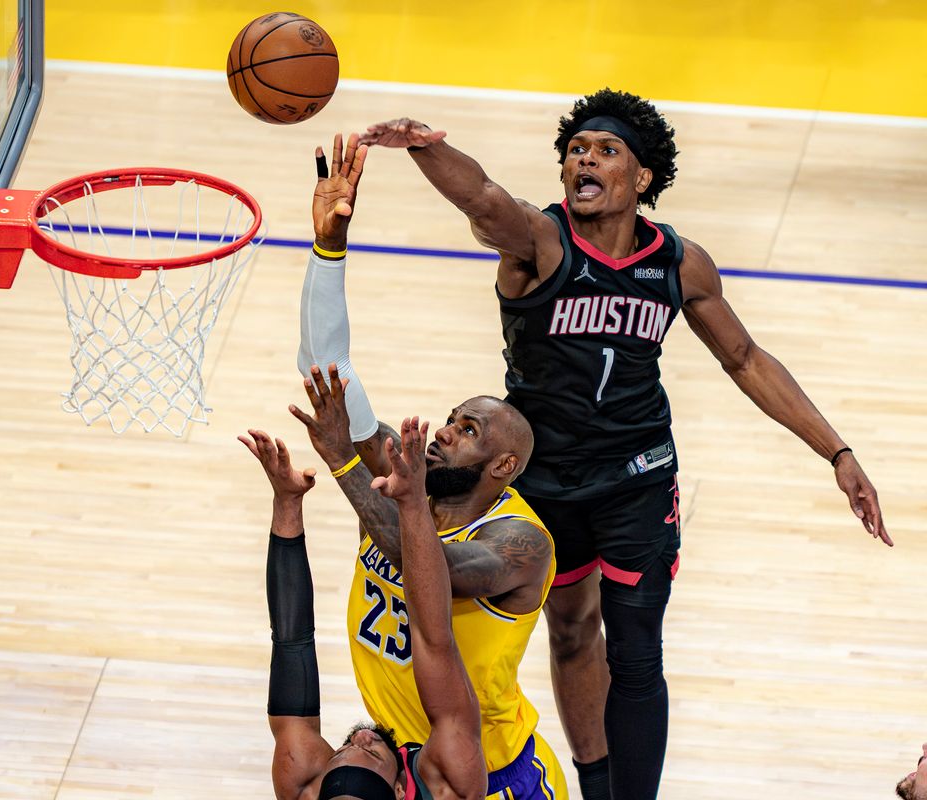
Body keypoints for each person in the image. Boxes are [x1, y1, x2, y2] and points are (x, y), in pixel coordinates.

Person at [357, 89, 892, 800]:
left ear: (642, 178)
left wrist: (838, 453)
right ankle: (597, 784)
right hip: (546, 479)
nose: (584, 159)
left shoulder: (680, 263)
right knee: (572, 634)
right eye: (576, 149)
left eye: (605, 150)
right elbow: (483, 199)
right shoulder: (541, 242)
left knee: (637, 651)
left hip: (638, 475)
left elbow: (744, 358)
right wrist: (428, 148)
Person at [291, 133, 567, 799]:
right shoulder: (402, 470)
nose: (444, 433)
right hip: (397, 770)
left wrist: (344, 460)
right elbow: (327, 372)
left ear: (503, 465)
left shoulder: (521, 543)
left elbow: (426, 567)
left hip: (490, 778)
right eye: (450, 419)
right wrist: (329, 246)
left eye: (467, 431)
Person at [240, 421, 488, 799]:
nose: (360, 738)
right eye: (370, 753)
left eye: (340, 753)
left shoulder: (303, 782)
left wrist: (287, 502)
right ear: (401, 790)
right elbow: (434, 638)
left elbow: (291, 640)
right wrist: (412, 504)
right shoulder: (451, 786)